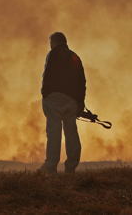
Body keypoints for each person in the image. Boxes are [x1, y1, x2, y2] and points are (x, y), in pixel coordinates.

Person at [38, 32, 86, 175]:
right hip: (71, 100)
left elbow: (46, 76)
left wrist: (44, 95)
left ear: (55, 42)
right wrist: (80, 103)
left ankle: (51, 166)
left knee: (53, 132)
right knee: (71, 132)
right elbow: (82, 82)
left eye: (51, 43)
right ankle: (71, 166)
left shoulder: (52, 54)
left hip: (53, 98)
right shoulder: (75, 56)